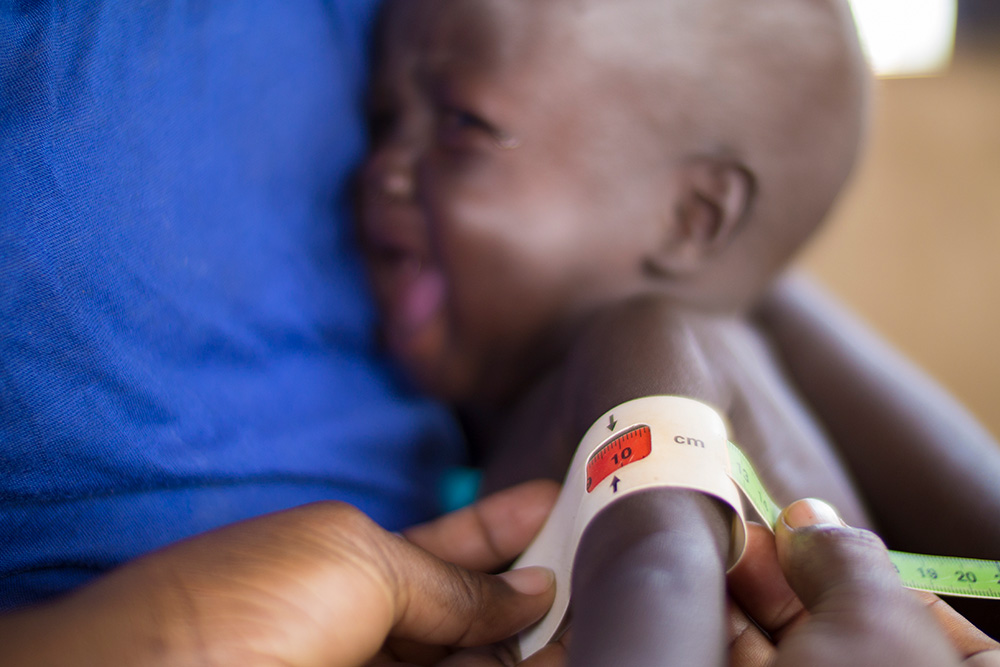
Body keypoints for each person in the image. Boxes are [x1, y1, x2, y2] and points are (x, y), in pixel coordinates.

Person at [357, 0, 1000, 661]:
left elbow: (659, 563)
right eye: (381, 120)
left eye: (463, 124)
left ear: (691, 218)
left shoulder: (644, 343)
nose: (384, 169)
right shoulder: (496, 399)